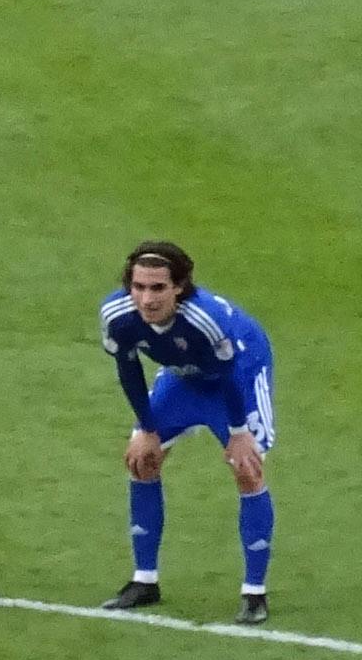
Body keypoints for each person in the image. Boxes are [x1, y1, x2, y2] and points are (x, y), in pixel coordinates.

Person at [97, 241, 276, 621]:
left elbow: (229, 373)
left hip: (239, 374)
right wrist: (147, 428)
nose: (146, 299)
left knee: (247, 469)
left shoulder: (205, 319)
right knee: (141, 460)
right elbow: (128, 368)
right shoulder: (117, 315)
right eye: (139, 287)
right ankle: (144, 580)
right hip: (182, 378)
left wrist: (239, 431)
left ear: (179, 287)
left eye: (158, 288)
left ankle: (254, 592)